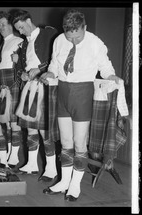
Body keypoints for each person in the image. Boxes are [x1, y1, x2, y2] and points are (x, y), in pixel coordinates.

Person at [40, 9, 121, 201]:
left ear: (85, 27)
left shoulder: (95, 43)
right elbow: (53, 64)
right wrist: (50, 73)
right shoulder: (59, 40)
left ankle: (75, 186)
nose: (74, 41)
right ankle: (64, 182)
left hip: (83, 94)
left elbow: (106, 66)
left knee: (79, 143)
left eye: (78, 37)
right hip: (62, 93)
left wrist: (111, 76)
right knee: (66, 143)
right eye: (70, 37)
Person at [11, 9, 59, 181]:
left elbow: (57, 60)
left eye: (22, 27)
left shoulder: (50, 34)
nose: (21, 32)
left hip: (46, 87)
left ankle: (51, 169)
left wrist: (38, 69)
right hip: (30, 88)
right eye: (18, 29)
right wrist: (23, 74)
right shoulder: (24, 44)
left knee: (45, 131)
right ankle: (31, 164)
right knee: (31, 128)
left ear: (29, 20)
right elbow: (22, 68)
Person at [0, 11, 24, 169]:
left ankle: (14, 156)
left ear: (12, 25)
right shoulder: (3, 43)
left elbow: (23, 65)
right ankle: (11, 155)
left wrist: (19, 61)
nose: (1, 27)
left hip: (13, 85)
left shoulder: (19, 41)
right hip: (3, 86)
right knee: (7, 124)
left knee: (14, 124)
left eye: (4, 24)